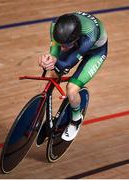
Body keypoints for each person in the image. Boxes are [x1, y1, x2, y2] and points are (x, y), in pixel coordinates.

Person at [37, 11, 108, 143]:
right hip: (77, 43)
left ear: (75, 39)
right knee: (52, 75)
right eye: (61, 44)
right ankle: (39, 112)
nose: (63, 49)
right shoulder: (56, 25)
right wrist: (49, 58)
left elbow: (67, 64)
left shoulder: (90, 35)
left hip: (95, 52)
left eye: (66, 45)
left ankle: (76, 119)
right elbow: (55, 51)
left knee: (71, 89)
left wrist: (56, 62)